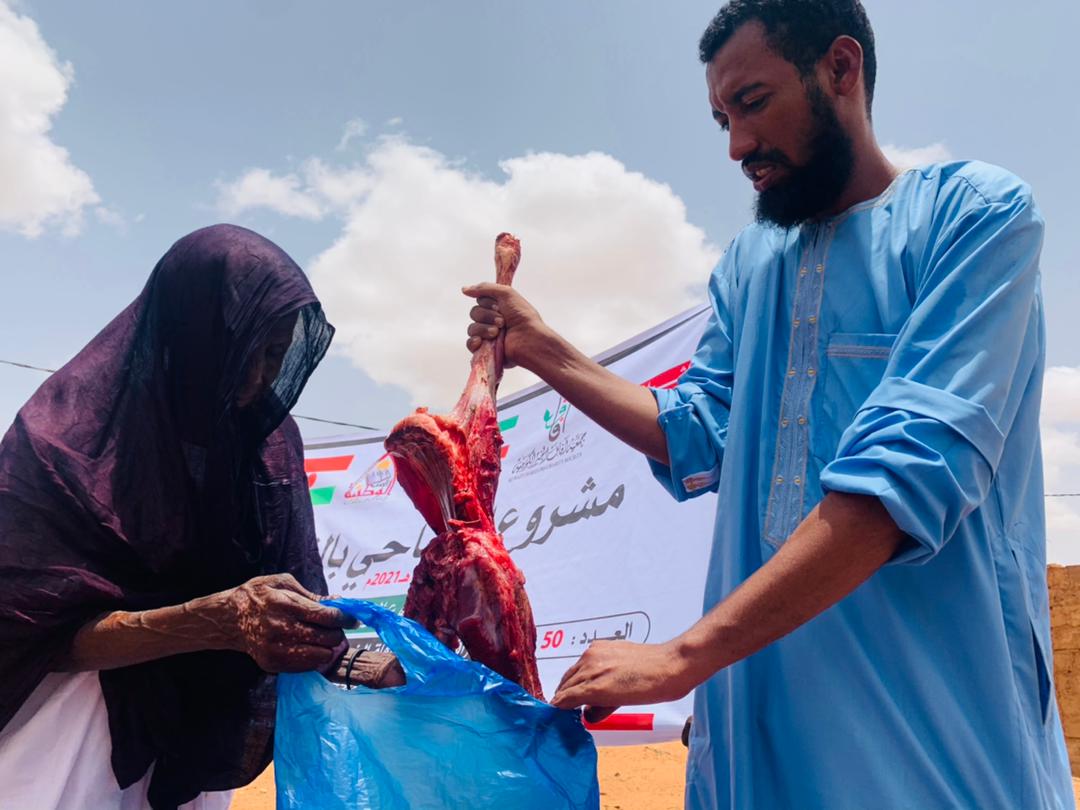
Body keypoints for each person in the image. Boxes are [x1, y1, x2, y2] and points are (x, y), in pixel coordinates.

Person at [465, 2, 1074, 808]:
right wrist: (543, 349)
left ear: (841, 69)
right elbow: (695, 434)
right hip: (754, 734)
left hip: (936, 730)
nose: (736, 145)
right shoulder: (751, 264)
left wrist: (683, 656)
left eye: (752, 104)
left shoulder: (974, 217)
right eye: (723, 119)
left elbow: (911, 471)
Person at [0, 225, 355, 810]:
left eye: (275, 355)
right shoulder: (63, 439)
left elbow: (298, 599)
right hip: (69, 730)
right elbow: (23, 630)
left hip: (193, 734)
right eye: (241, 349)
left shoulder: (268, 444)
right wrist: (208, 622)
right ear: (187, 332)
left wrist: (375, 664)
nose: (258, 378)